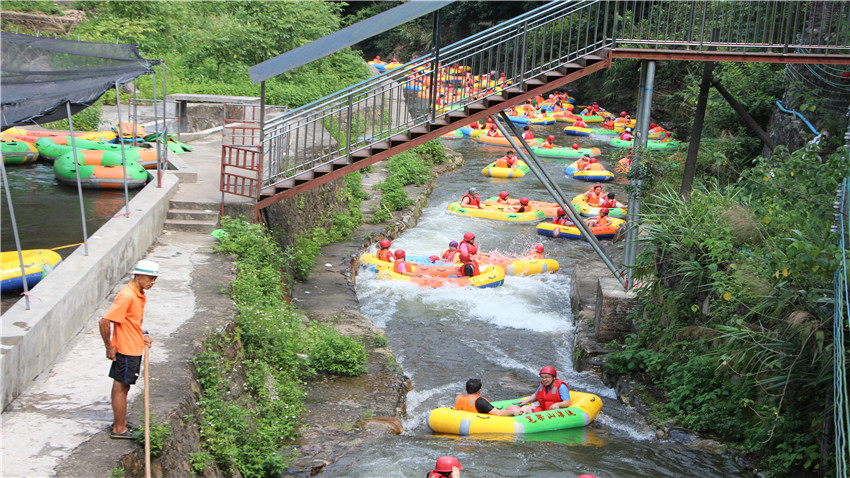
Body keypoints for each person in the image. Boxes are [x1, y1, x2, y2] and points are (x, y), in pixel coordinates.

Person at [99, 260, 158, 439]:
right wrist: (109, 346)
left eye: (155, 279)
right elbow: (104, 322)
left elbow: (132, 321)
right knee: (121, 387)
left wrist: (143, 335)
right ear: (138, 276)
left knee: (123, 385)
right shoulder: (128, 296)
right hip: (126, 350)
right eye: (150, 278)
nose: (152, 282)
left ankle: (121, 422)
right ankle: (119, 428)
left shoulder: (139, 293)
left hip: (133, 346)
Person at [454, 378, 521, 416]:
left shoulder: (458, 398)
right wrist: (513, 412)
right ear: (479, 391)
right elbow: (499, 413)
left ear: (466, 389)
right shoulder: (480, 401)